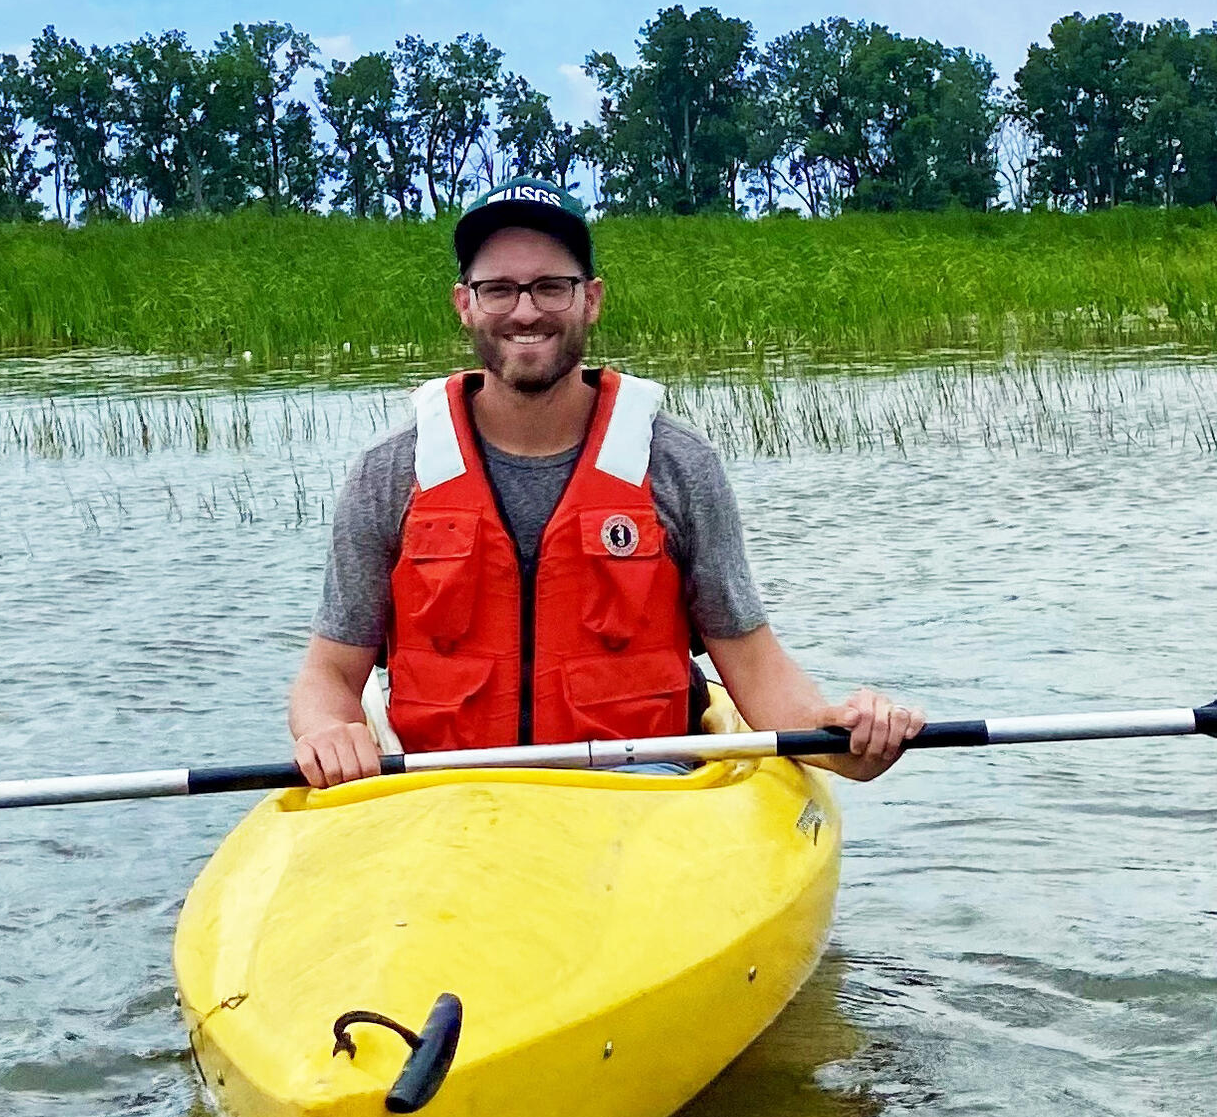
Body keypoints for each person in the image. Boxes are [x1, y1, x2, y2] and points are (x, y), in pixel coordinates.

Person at [290, 179, 923, 786]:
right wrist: (328, 730)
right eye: (499, 290)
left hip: (639, 796)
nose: (526, 310)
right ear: (466, 304)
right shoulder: (390, 473)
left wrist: (841, 740)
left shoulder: (678, 466)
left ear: (590, 299)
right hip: (445, 795)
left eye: (550, 287)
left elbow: (754, 667)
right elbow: (330, 674)